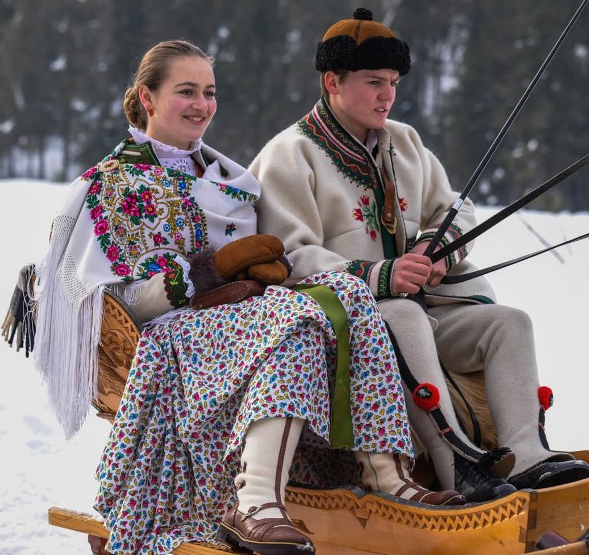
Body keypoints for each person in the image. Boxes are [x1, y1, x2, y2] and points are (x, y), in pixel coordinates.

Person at [28, 40, 463, 555]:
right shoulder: (116, 185)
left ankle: (386, 473)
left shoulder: (229, 180)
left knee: (345, 291)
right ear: (147, 98)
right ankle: (255, 500)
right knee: (295, 322)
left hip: (244, 323)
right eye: (185, 91)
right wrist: (209, 271)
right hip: (172, 340)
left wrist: (267, 272)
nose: (201, 105)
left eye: (209, 92)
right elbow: (121, 304)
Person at [250, 9, 589, 503]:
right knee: (404, 313)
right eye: (373, 82)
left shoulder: (405, 142)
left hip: (431, 313)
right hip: (348, 328)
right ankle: (456, 463)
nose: (387, 95)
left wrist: (439, 251)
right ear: (332, 82)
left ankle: (526, 453)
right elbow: (289, 258)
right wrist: (382, 275)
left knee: (509, 323)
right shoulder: (289, 155)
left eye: (392, 82)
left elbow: (457, 209)